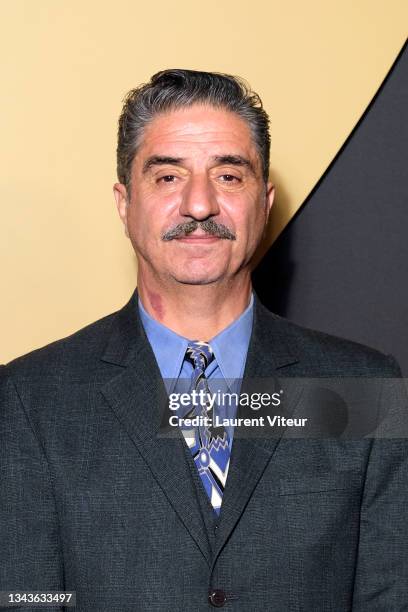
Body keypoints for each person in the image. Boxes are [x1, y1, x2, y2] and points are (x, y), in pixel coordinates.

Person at [1, 69, 407, 611]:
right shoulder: (31, 399)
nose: (199, 206)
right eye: (168, 177)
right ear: (125, 203)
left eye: (228, 177)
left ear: (263, 202)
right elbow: (26, 599)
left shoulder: (362, 387)